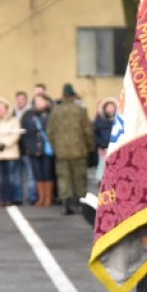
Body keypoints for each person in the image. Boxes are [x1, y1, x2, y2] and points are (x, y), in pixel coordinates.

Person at [47, 83, 94, 214]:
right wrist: (90, 147)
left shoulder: (55, 111)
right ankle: (80, 203)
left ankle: (66, 203)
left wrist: (55, 146)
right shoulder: (81, 110)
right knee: (79, 178)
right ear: (73, 95)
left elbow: (50, 132)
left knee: (64, 178)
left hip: (61, 152)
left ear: (63, 95)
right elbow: (88, 131)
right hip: (79, 150)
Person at [0, 97, 22, 207]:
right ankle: (3, 198)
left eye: (3, 108)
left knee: (11, 176)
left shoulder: (14, 121)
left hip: (10, 152)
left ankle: (11, 198)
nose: (1, 110)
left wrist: (5, 144)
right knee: (1, 177)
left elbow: (16, 134)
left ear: (7, 109)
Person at [23, 94, 56, 207]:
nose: (38, 103)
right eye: (36, 101)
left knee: (47, 173)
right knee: (37, 174)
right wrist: (28, 146)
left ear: (47, 102)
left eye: (41, 101)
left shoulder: (51, 114)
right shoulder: (28, 115)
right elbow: (25, 132)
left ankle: (48, 198)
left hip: (47, 149)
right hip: (33, 149)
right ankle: (41, 198)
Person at [13, 90, 34, 205]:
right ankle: (18, 197)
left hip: (27, 149)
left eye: (22, 99)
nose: (20, 102)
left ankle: (32, 196)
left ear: (26, 100)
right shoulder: (12, 112)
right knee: (17, 175)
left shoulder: (31, 113)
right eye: (18, 99)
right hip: (15, 149)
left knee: (30, 175)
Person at [93, 97, 118, 179]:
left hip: (115, 148)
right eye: (108, 107)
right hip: (103, 148)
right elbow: (95, 134)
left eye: (111, 107)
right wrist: (100, 144)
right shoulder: (99, 120)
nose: (110, 109)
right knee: (102, 165)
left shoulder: (119, 121)